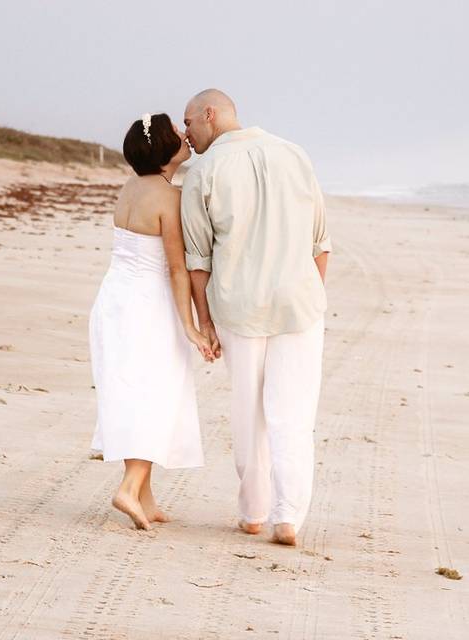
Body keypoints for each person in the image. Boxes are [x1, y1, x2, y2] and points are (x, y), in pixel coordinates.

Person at [181, 89, 332, 546]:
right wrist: (309, 296)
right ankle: (287, 518)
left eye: (189, 123)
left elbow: (198, 259)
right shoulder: (293, 153)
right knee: (294, 413)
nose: (186, 135)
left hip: (237, 303)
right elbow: (320, 241)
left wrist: (204, 320)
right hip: (299, 304)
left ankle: (253, 513)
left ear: (210, 115)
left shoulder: (202, 171)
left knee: (248, 409)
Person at [89, 113, 213, 530]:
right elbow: (178, 269)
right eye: (177, 134)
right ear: (164, 148)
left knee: (131, 391)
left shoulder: (131, 187)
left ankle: (145, 495)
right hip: (147, 303)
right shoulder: (168, 197)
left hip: (114, 298)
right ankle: (129, 486)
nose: (184, 137)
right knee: (157, 393)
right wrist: (192, 326)